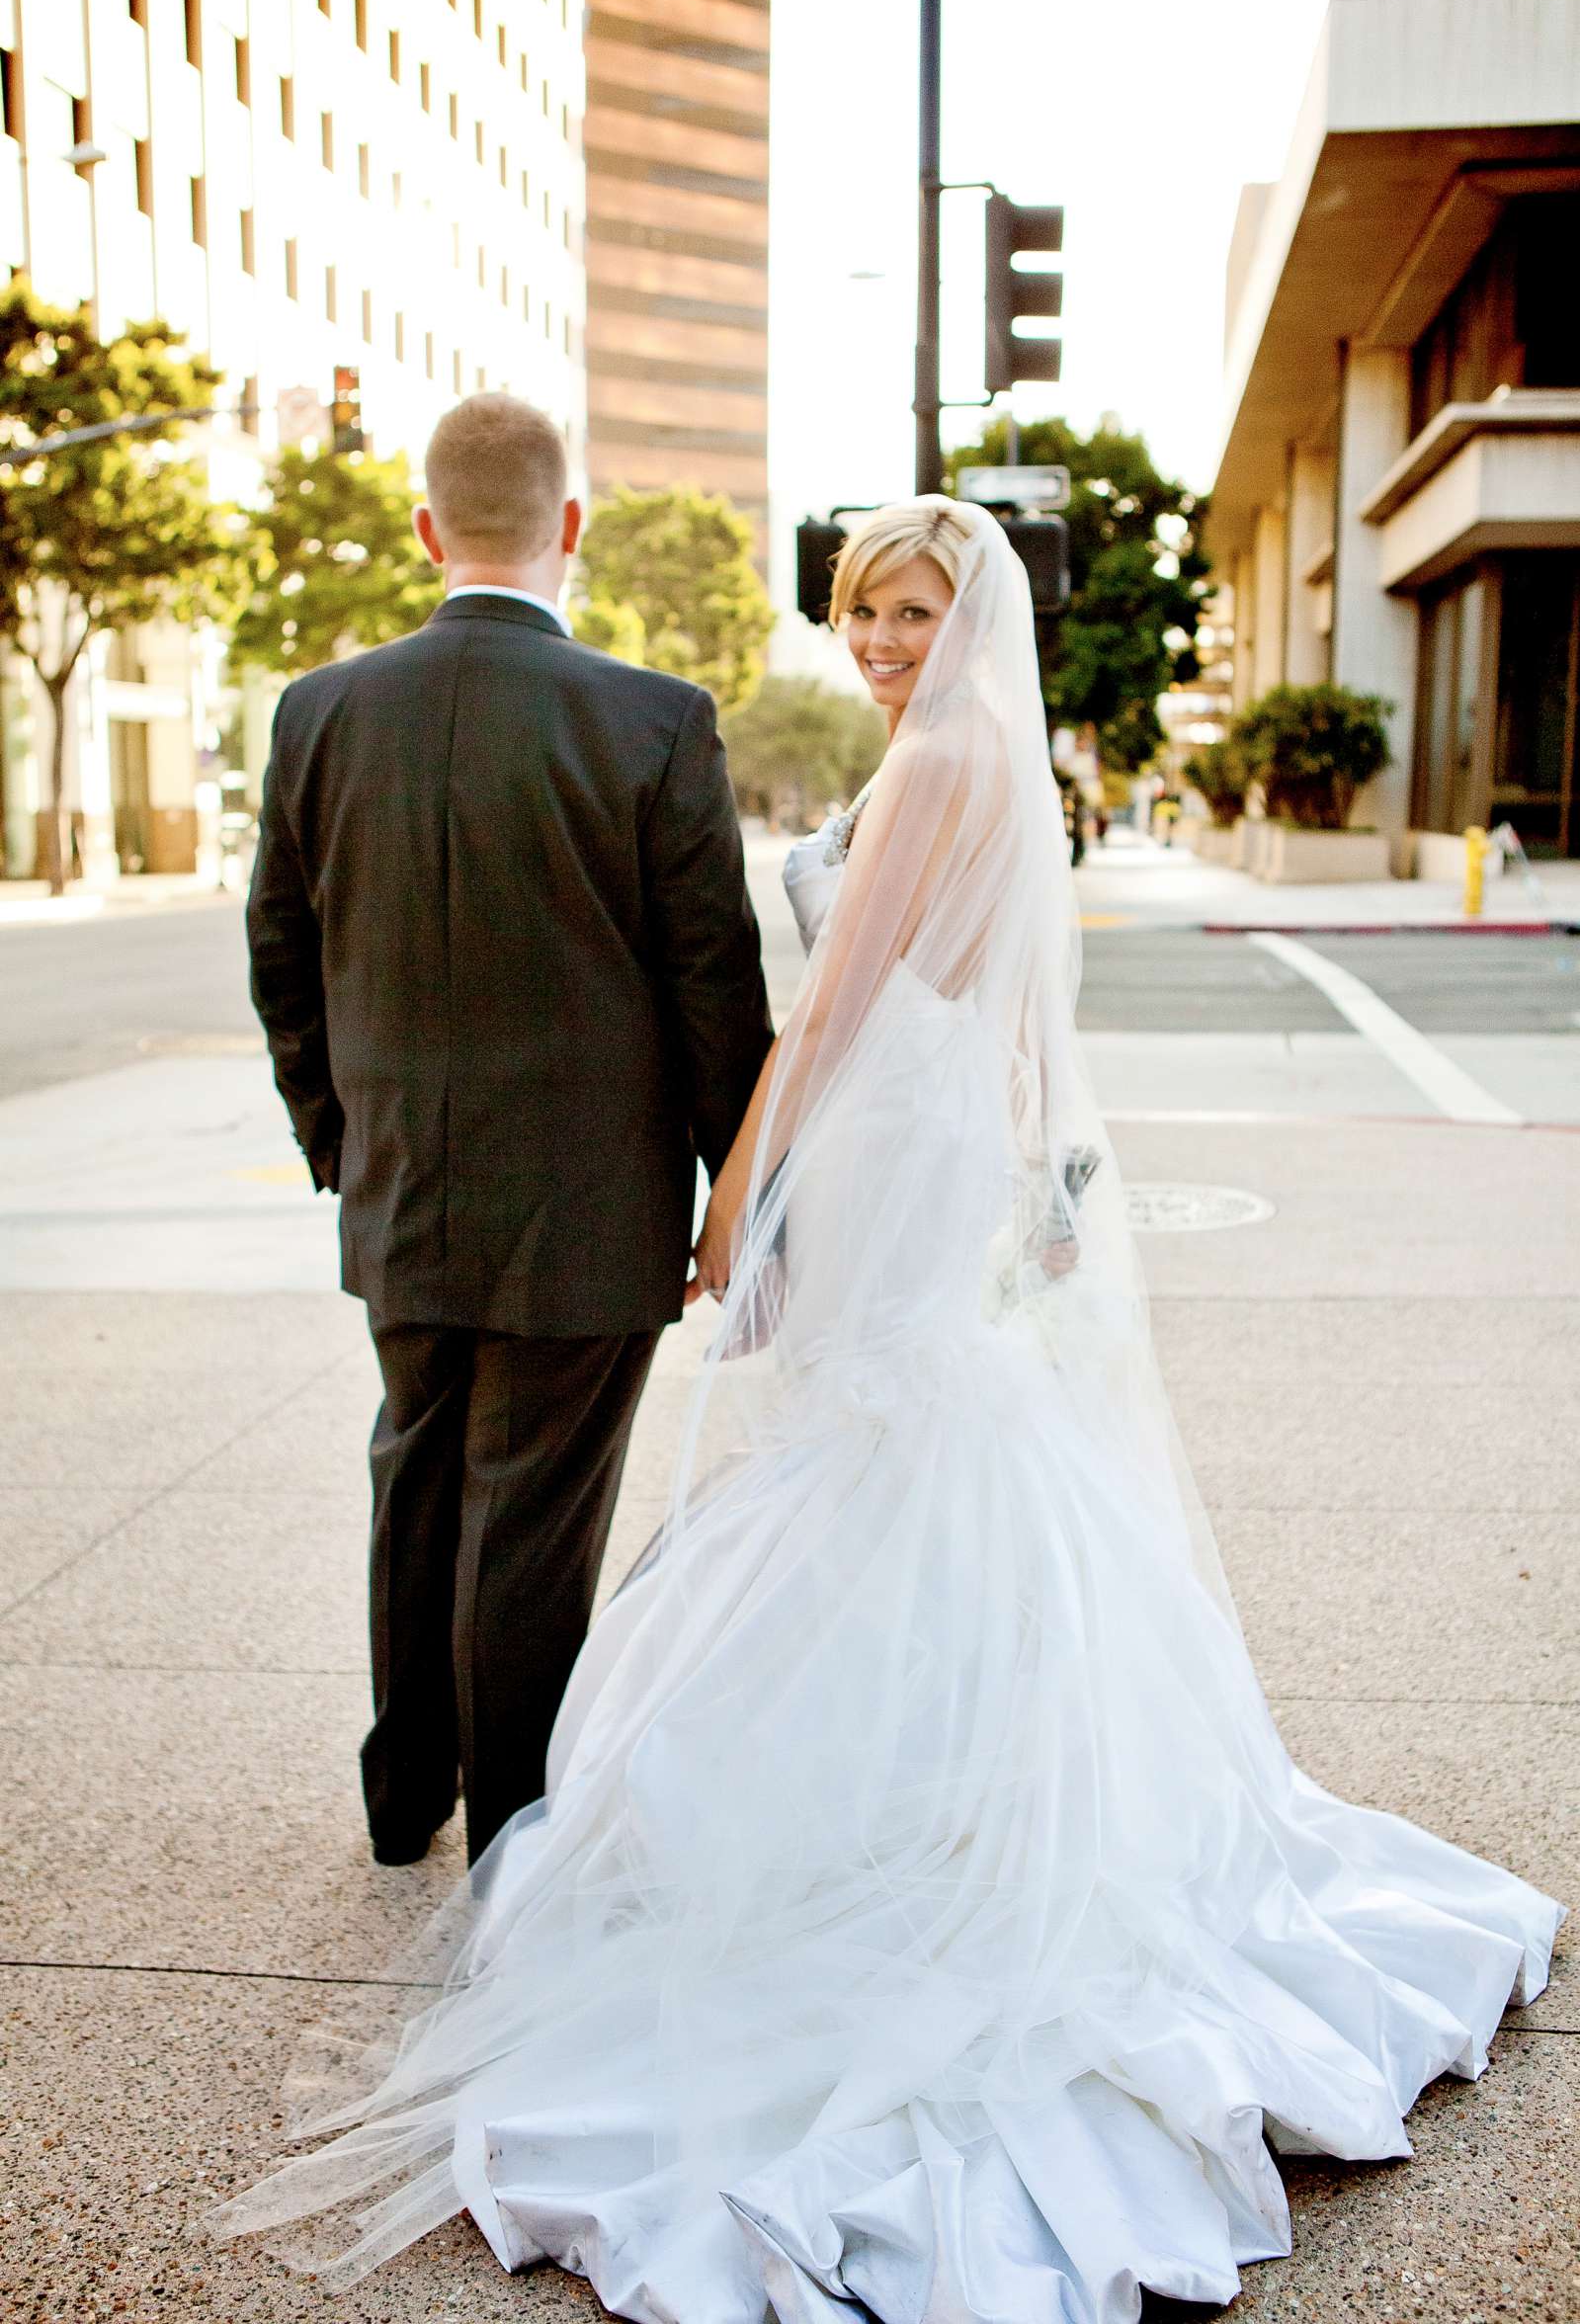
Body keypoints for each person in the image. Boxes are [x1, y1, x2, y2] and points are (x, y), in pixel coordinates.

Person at [217, 499, 1561, 2317]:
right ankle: (939, 1784)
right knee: (918, 1449)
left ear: (973, 608)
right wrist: (1039, 1181)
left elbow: (828, 1013)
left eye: (913, 607)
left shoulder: (943, 758)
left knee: (882, 1451)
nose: (880, 641)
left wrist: (736, 1198)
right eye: (861, 610)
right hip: (930, 1144)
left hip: (876, 1137)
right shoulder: (990, 752)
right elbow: (1007, 1016)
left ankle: (901, 1823)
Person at [245, 393, 772, 1868]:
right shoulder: (656, 720)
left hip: (399, 1190)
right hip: (590, 1211)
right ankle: (514, 1835)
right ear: (574, 529)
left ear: (427, 530)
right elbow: (713, 985)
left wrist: (339, 1141)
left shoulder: (319, 711)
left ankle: (405, 1792)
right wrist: (745, 1184)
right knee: (530, 1517)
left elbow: (280, 955)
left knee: (416, 1470)